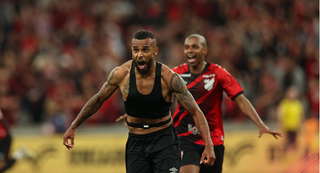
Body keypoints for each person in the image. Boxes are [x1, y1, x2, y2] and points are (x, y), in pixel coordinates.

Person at [63, 30, 215, 173]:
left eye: (145, 50)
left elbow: (195, 111)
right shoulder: (121, 74)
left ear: (155, 51)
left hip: (164, 141)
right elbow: (98, 100)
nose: (139, 55)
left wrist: (208, 145)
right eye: (135, 50)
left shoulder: (169, 78)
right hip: (136, 142)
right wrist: (74, 126)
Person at [170, 34, 282, 173]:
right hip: (185, 137)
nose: (190, 50)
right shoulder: (175, 74)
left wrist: (260, 124)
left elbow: (240, 100)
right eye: (187, 47)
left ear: (205, 50)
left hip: (213, 139)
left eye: (195, 47)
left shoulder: (217, 73)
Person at [277, 85, 305, 152]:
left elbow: (301, 115)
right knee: (287, 143)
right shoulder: (284, 103)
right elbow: (280, 114)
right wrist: (281, 123)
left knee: (295, 144)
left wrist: (301, 124)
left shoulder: (298, 103)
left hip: (295, 127)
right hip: (287, 127)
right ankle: (286, 157)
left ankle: (294, 158)